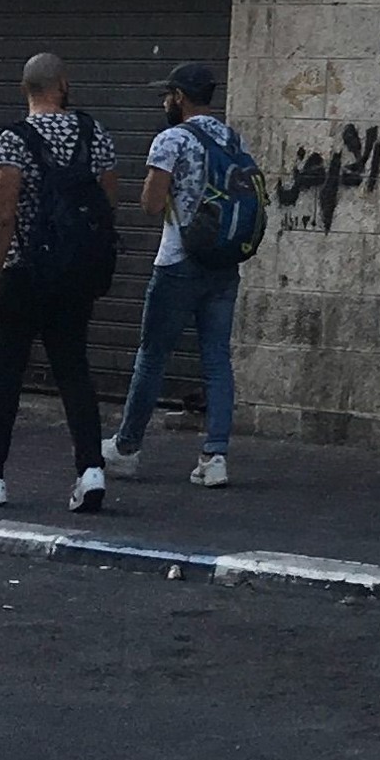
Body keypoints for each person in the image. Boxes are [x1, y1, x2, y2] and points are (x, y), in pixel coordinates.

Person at [0, 54, 117, 512]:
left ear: (25, 89)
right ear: (63, 84)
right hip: (73, 276)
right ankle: (91, 470)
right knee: (74, 370)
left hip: (23, 273)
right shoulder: (94, 133)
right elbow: (106, 203)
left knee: (6, 376)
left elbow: (2, 217)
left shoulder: (13, 140)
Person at [108, 62, 245, 487]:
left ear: (180, 98)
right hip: (223, 263)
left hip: (179, 262)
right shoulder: (231, 138)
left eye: (168, 94)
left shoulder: (173, 139)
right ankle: (215, 457)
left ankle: (127, 448)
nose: (165, 101)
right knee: (217, 359)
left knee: (152, 355)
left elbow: (151, 205)